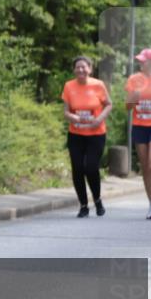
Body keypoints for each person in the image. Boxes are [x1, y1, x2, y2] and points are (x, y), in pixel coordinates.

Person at [61, 56, 112, 217]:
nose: (81, 70)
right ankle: (83, 205)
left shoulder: (98, 85)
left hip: (96, 134)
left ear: (90, 69)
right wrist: (73, 117)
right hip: (76, 134)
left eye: (84, 67)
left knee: (90, 167)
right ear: (74, 70)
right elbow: (66, 111)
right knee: (77, 169)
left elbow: (109, 104)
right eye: (78, 67)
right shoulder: (69, 86)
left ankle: (97, 200)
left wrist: (99, 119)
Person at [125, 48, 151, 220]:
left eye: (144, 60)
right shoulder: (134, 79)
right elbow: (127, 107)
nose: (141, 63)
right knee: (144, 166)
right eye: (140, 60)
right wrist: (134, 96)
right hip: (139, 126)